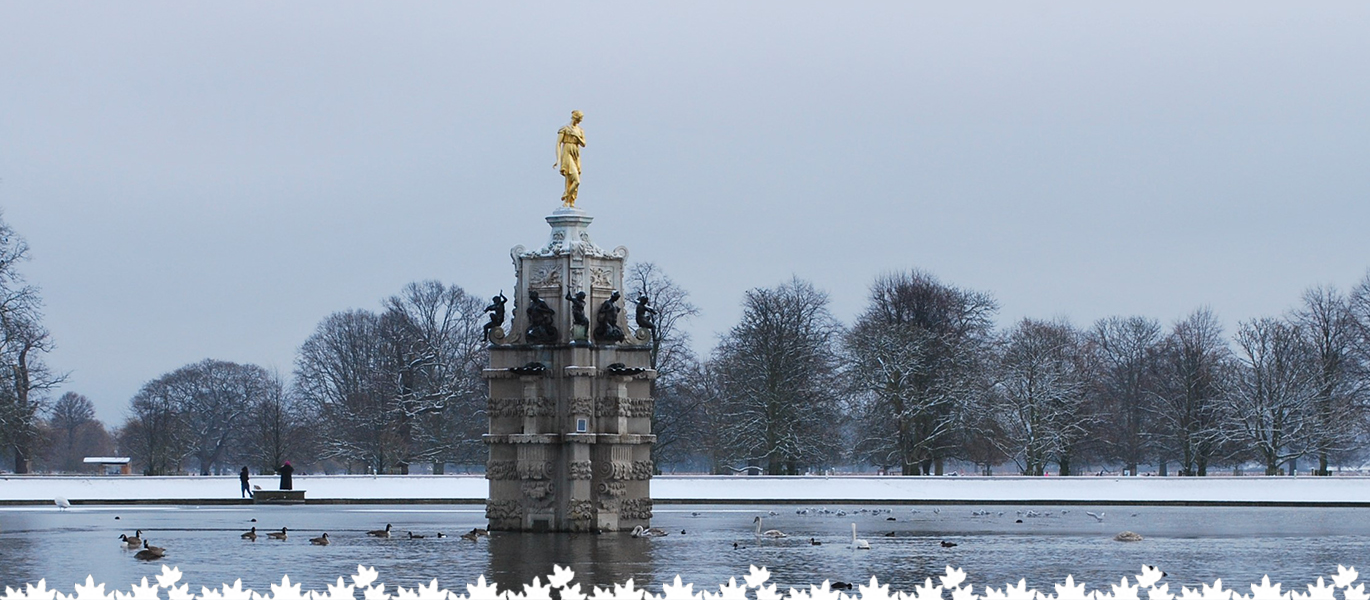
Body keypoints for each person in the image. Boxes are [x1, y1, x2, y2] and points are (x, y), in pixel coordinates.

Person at [555, 110, 586, 207]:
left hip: (576, 153)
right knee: (575, 179)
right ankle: (567, 196)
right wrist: (558, 159)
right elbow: (558, 144)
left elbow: (583, 144)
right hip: (567, 151)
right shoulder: (564, 128)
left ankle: (569, 200)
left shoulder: (580, 130)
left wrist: (577, 136)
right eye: (578, 119)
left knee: (572, 179)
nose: (579, 122)